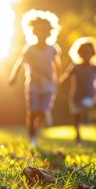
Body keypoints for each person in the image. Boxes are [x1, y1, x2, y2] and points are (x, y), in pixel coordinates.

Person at [9, 10, 62, 147]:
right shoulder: (30, 49)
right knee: (32, 112)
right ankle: (32, 136)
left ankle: (45, 114)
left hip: (49, 86)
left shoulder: (52, 49)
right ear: (33, 32)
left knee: (41, 111)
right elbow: (20, 62)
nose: (42, 33)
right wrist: (13, 76)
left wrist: (58, 79)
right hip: (33, 85)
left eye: (45, 30)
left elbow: (57, 64)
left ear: (50, 32)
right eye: (39, 30)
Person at [59, 37, 96, 143]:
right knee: (76, 117)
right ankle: (78, 135)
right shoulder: (76, 67)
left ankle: (87, 118)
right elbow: (67, 76)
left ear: (93, 54)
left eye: (89, 53)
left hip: (89, 95)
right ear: (80, 54)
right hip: (76, 96)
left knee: (86, 106)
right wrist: (60, 82)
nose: (87, 55)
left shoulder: (94, 67)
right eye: (84, 53)